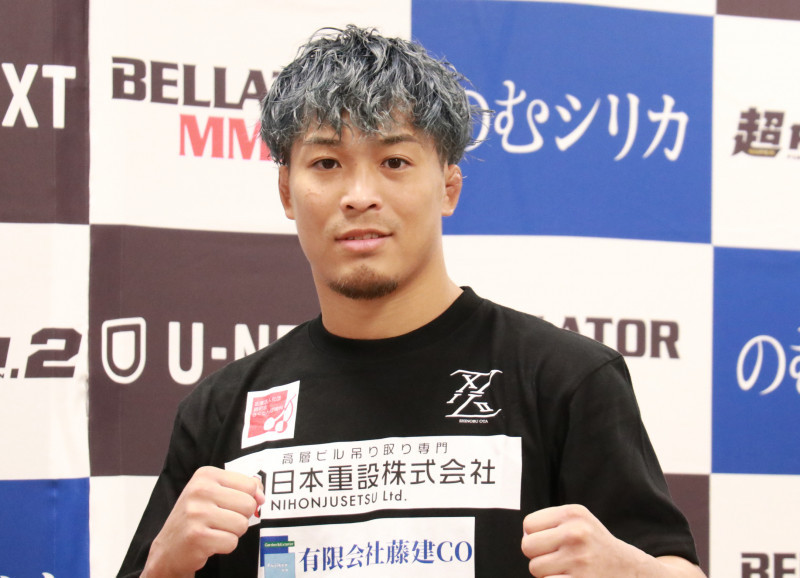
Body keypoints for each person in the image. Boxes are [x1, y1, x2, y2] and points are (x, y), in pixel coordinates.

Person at [119, 25, 705, 578]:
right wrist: (164, 565)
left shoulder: (564, 378)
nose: (359, 196)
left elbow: (671, 565)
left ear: (448, 187)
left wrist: (635, 571)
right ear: (286, 192)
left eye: (394, 162)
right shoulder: (223, 408)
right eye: (326, 163)